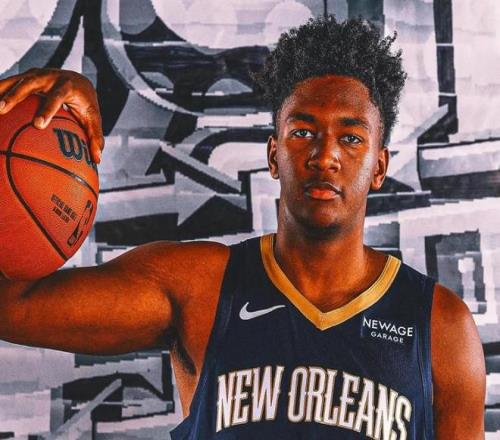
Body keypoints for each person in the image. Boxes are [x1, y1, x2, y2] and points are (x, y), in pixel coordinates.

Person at [0, 16, 485, 439]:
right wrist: (46, 123)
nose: (325, 155)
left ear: (379, 167)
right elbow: (11, 307)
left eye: (352, 138)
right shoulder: (200, 288)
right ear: (274, 155)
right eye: (303, 132)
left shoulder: (440, 326)